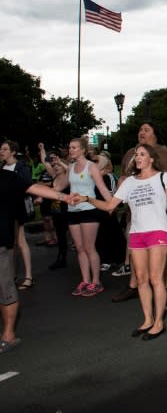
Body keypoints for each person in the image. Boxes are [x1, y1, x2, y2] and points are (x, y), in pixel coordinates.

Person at [84, 144, 167, 339]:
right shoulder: (129, 182)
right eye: (136, 154)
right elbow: (110, 205)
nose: (137, 157)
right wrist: (87, 198)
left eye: (142, 154)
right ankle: (147, 319)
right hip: (137, 234)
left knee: (156, 279)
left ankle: (159, 322)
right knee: (142, 279)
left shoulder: (164, 177)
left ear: (151, 159)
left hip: (158, 232)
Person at [1, 169, 76, 353]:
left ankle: (8, 335)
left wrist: (65, 197)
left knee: (5, 290)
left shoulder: (7, 177)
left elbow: (34, 188)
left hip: (0, 244)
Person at [113, 122, 167, 301]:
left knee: (163, 249)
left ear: (155, 135)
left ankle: (165, 287)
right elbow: (124, 176)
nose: (141, 132)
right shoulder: (131, 153)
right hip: (136, 209)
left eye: (146, 130)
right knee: (135, 247)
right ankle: (134, 286)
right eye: (140, 129)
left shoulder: (165, 154)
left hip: (161, 209)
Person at [54, 137, 113, 296]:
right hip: (73, 211)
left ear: (82, 150)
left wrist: (111, 205)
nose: (71, 150)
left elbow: (102, 188)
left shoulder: (91, 166)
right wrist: (58, 168)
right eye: (70, 147)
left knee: (89, 248)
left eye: (74, 147)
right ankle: (85, 281)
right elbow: (60, 186)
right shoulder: (71, 167)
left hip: (89, 209)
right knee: (79, 248)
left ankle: (96, 282)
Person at [0, 141, 34, 290]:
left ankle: (28, 277)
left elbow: (28, 186)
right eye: (1, 149)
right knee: (9, 244)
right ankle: (11, 275)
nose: (1, 151)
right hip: (4, 211)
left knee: (20, 241)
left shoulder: (21, 167)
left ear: (13, 152)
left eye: (5, 149)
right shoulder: (1, 168)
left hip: (17, 209)